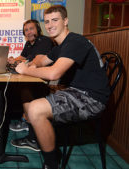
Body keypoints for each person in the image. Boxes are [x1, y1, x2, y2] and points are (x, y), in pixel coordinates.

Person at [15, 5, 110, 169]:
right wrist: (30, 64)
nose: (50, 25)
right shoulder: (60, 46)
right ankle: (35, 137)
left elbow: (54, 74)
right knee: (27, 92)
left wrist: (26, 70)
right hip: (76, 91)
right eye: (47, 21)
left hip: (92, 98)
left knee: (36, 109)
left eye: (55, 20)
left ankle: (51, 165)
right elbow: (42, 60)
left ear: (65, 21)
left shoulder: (75, 41)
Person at [8, 19, 54, 152]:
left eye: (31, 29)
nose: (29, 32)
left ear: (38, 30)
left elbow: (37, 60)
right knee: (23, 89)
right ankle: (27, 120)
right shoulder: (29, 43)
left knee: (26, 89)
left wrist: (21, 65)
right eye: (26, 30)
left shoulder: (44, 41)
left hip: (47, 80)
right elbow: (22, 58)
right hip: (36, 76)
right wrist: (12, 60)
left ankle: (33, 135)